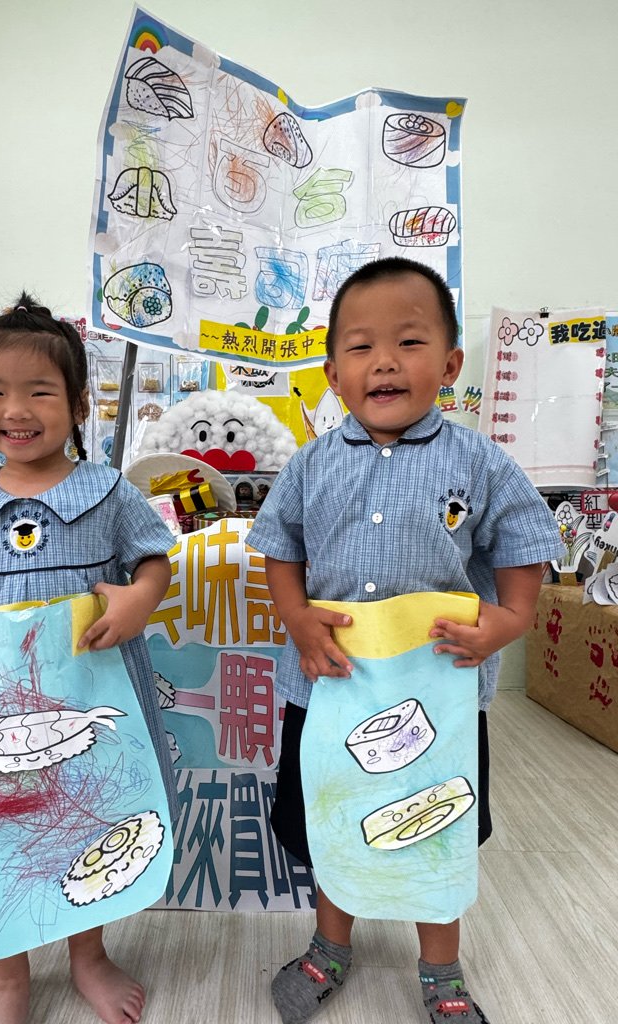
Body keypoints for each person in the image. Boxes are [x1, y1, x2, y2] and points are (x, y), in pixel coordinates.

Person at [247, 257, 563, 1024]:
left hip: (439, 691)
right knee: (334, 819)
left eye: (409, 342)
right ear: (333, 375)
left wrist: (512, 619)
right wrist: (296, 617)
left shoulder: (480, 462)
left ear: (449, 365)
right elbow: (279, 549)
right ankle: (330, 947)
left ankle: (441, 968)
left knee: (435, 823)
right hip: (329, 684)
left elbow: (524, 544)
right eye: (360, 346)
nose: (384, 361)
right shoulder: (311, 465)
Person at [0, 295, 179, 1024]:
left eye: (39, 391)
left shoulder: (107, 492)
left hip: (90, 693)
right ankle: (9, 976)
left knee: (89, 820)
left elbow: (154, 562)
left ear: (80, 404)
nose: (16, 410)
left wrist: (138, 599)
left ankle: (88, 955)